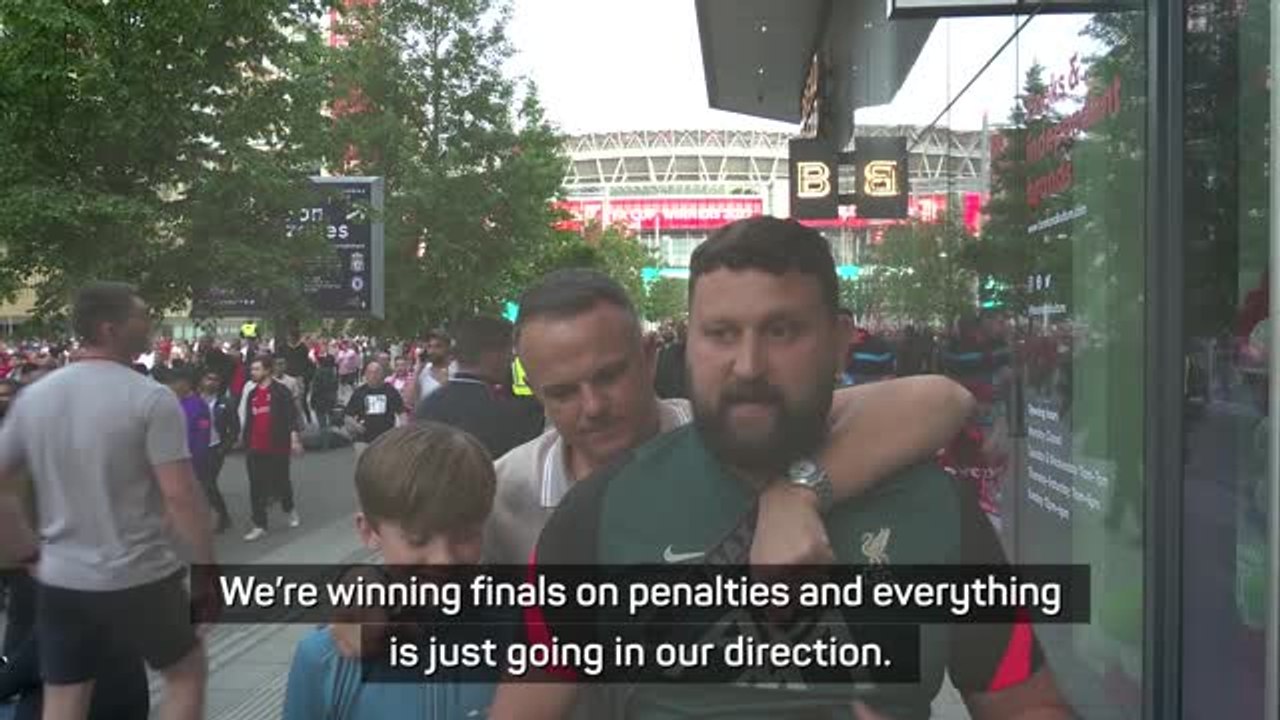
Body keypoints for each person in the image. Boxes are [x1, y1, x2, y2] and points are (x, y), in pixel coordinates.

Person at [490, 218, 1073, 720]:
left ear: (840, 341)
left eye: (782, 331)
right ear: (685, 344)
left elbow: (1028, 706)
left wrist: (800, 491)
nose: (748, 365)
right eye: (721, 334)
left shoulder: (937, 514)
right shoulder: (596, 516)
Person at [483, 269, 977, 567]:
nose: (593, 406)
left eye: (609, 376)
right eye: (563, 392)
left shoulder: (730, 434)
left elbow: (943, 400)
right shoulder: (503, 492)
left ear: (651, 355)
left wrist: (797, 494)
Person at [0, 282, 210, 720]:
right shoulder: (150, 398)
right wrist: (207, 571)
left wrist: (25, 551)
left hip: (63, 579)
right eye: (143, 316)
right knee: (185, 673)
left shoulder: (36, 397)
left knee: (66, 694)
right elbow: (180, 494)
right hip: (141, 575)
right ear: (110, 328)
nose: (151, 325)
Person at [281, 423, 501, 719]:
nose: (444, 560)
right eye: (417, 539)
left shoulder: (516, 639)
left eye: (465, 535)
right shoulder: (325, 659)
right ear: (369, 531)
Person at [415, 317, 543, 459]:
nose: (512, 358)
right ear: (492, 354)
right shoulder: (514, 411)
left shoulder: (427, 406)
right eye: (509, 350)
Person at [238, 356, 304, 542]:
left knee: (281, 482)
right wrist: (245, 441)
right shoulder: (252, 394)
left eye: (257, 369)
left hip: (277, 446)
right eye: (252, 370)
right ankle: (259, 524)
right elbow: (249, 420)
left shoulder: (281, 391)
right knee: (256, 486)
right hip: (255, 447)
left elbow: (290, 418)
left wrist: (294, 440)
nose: (253, 373)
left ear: (267, 371)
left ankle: (289, 508)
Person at [198, 370, 236, 533]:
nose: (212, 382)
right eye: (208, 379)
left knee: (209, 484)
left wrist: (224, 448)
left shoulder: (225, 402)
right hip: (196, 449)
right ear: (201, 381)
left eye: (216, 379)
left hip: (215, 448)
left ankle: (223, 517)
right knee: (201, 485)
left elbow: (234, 428)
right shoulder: (194, 401)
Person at [344, 361, 406, 459]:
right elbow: (348, 416)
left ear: (382, 375)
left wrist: (402, 430)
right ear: (366, 375)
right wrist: (356, 426)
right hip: (364, 438)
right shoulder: (359, 392)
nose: (373, 375)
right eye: (370, 372)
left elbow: (401, 412)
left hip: (386, 436)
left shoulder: (390, 391)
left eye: (377, 372)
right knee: (363, 463)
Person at [416, 329, 456, 402]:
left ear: (448, 348)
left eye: (438, 346)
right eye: (429, 346)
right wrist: (418, 369)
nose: (432, 351)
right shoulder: (423, 371)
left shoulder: (457, 370)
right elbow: (409, 401)